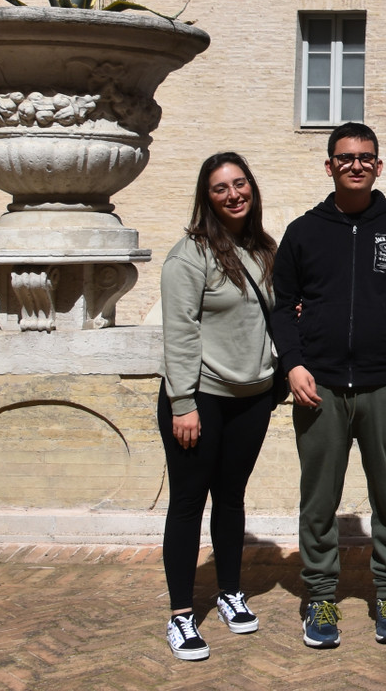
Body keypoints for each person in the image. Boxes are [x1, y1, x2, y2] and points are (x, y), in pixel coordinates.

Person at [269, 122, 386, 650]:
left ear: (378, 166)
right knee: (319, 500)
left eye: (366, 157)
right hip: (318, 387)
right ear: (329, 166)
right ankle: (321, 597)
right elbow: (281, 306)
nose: (356, 165)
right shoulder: (303, 231)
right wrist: (293, 365)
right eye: (345, 157)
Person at [157, 153, 280, 661]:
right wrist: (183, 403)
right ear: (206, 198)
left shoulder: (263, 249)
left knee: (231, 499)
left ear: (252, 187)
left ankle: (230, 591)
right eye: (220, 188)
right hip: (200, 399)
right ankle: (182, 614)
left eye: (240, 183)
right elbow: (180, 332)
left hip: (252, 399)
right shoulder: (190, 255)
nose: (233, 194)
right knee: (188, 504)